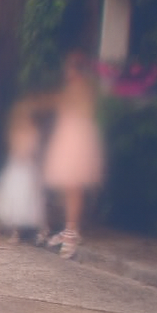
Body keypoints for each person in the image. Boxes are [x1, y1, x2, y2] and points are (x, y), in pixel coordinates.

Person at [41, 52, 105, 259]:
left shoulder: (80, 88)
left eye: (69, 67)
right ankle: (69, 228)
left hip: (76, 138)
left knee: (73, 186)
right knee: (68, 187)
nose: (65, 71)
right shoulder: (78, 88)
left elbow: (67, 106)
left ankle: (72, 231)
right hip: (70, 134)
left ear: (76, 70)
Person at [0, 102, 48, 244]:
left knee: (30, 198)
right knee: (15, 197)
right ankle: (16, 230)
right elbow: (13, 147)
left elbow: (34, 149)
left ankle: (42, 229)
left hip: (28, 168)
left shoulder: (34, 132)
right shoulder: (15, 131)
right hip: (16, 167)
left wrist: (28, 155)